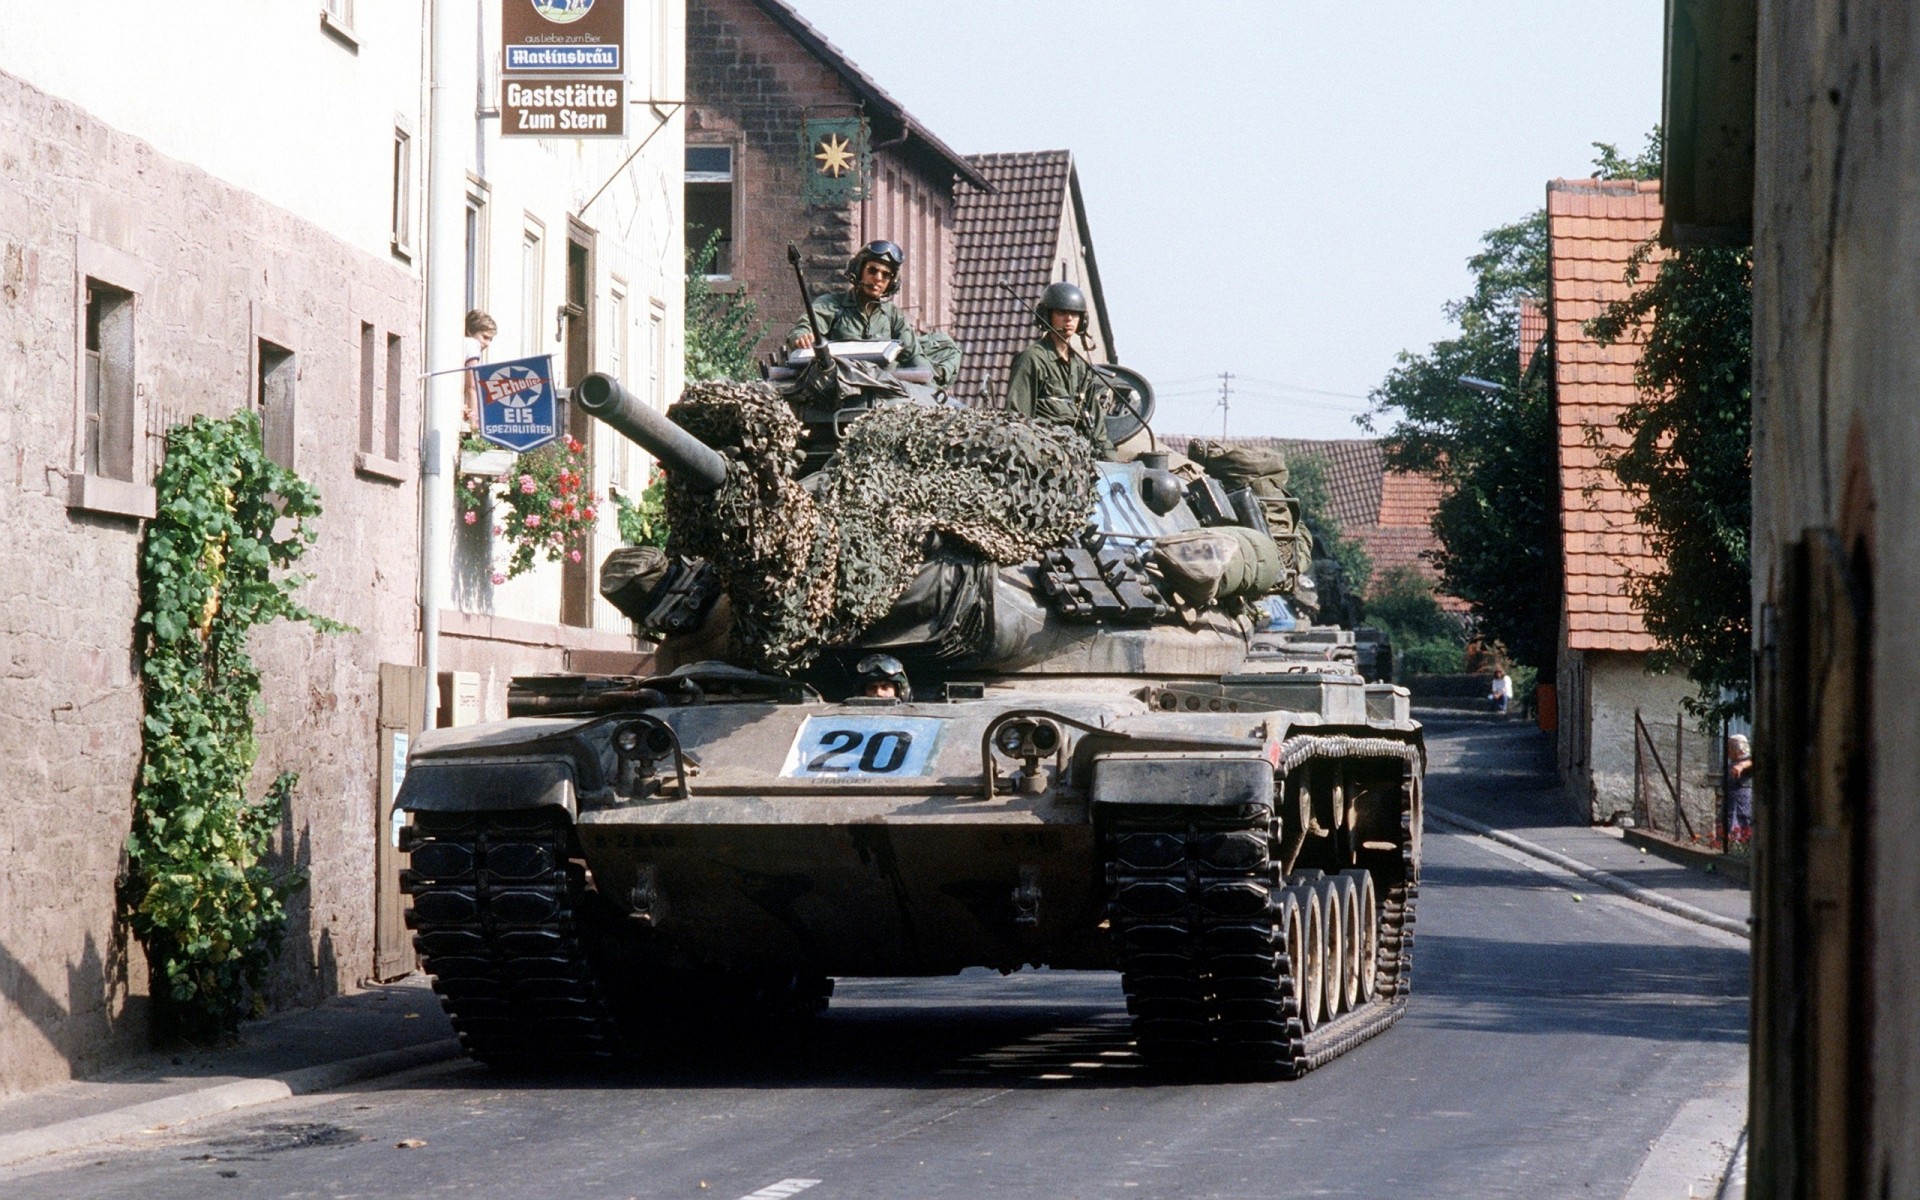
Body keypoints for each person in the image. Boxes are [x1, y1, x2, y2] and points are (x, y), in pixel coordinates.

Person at [1005, 281, 1116, 458]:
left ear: (1082, 320)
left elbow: (1097, 428)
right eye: (1062, 312)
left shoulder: (1080, 366)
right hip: (1045, 454)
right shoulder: (1032, 359)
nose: (1069, 319)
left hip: (1080, 454)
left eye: (1074, 313)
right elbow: (1017, 419)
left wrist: (1112, 460)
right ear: (1047, 315)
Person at [788, 240, 926, 369]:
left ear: (892, 282)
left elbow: (915, 358)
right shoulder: (832, 304)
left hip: (883, 388)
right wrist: (804, 336)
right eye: (872, 270)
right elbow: (804, 328)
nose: (878, 278)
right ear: (859, 271)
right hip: (839, 385)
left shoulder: (893, 316)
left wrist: (932, 391)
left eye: (886, 275)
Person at [461, 309, 497, 430]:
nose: (487, 344)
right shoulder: (472, 344)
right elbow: (471, 386)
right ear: (470, 331)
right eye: (485, 337)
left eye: (490, 339)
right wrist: (474, 423)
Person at [1725, 733, 1754, 840]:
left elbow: (1753, 762)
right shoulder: (1733, 762)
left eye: (1730, 747)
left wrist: (1741, 766)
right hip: (1731, 803)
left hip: (1742, 803)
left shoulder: (1747, 760)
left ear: (1737, 748)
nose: (1727, 751)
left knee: (1743, 826)